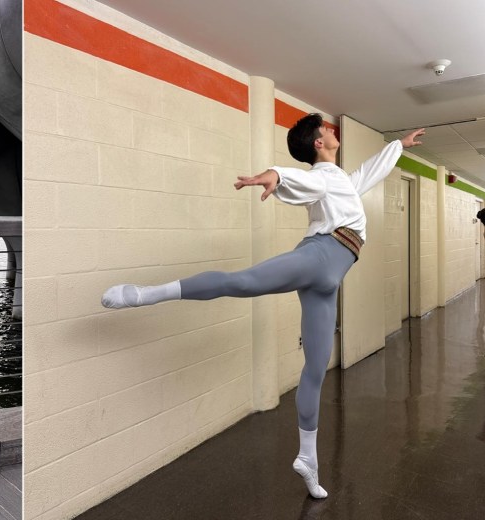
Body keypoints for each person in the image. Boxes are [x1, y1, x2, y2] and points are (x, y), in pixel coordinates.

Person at [101, 114, 425, 499]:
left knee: (316, 368)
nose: (333, 131)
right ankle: (146, 294)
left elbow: (367, 174)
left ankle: (308, 458)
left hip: (330, 278)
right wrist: (275, 174)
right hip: (321, 256)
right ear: (319, 144)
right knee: (242, 282)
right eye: (327, 129)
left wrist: (397, 147)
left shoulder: (341, 182)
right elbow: (304, 179)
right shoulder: (323, 175)